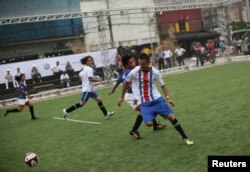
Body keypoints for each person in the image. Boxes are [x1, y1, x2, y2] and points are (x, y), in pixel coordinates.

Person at [118, 53, 193, 145]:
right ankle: (154, 117)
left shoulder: (155, 72)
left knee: (172, 117)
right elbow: (126, 83)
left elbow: (163, 85)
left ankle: (185, 138)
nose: (140, 66)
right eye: (140, 63)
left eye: (143, 64)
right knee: (149, 124)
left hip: (157, 99)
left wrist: (168, 98)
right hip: (144, 103)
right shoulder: (134, 71)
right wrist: (121, 97)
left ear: (148, 62)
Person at [109, 55, 165, 139]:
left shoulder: (131, 70)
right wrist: (135, 97)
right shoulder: (129, 72)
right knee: (145, 111)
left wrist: (113, 89)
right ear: (126, 65)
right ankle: (134, 130)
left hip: (137, 95)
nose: (134, 63)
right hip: (132, 96)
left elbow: (119, 80)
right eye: (131, 62)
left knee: (149, 108)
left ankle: (155, 125)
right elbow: (129, 84)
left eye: (134, 61)